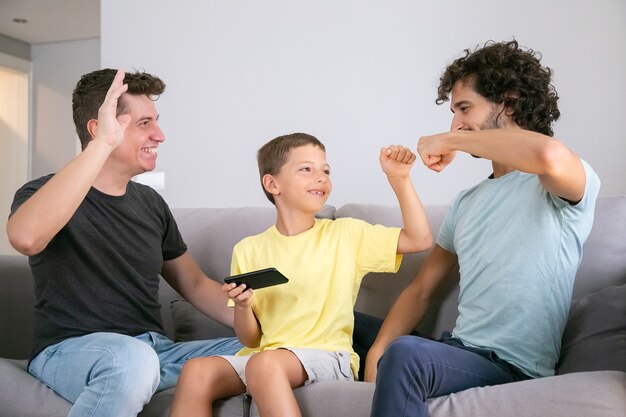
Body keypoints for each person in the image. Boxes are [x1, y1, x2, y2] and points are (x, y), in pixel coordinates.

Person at [365, 40, 601, 417]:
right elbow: (422, 290)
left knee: (406, 353)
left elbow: (548, 155)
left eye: (464, 108)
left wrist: (451, 139)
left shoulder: (556, 182)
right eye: (454, 113)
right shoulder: (466, 202)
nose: (456, 122)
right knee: (342, 322)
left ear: (508, 101)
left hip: (510, 368)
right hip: (457, 351)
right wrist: (377, 352)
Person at [6, 69, 243, 417]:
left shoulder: (150, 203)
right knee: (132, 361)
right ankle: (146, 375)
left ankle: (151, 376)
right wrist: (102, 145)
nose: (159, 135)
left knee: (270, 350)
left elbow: (194, 283)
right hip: (70, 351)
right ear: (98, 129)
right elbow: (26, 238)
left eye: (156, 122)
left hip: (154, 350)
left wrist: (270, 328)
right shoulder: (43, 193)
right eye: (145, 123)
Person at [168, 133, 433, 417]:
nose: (321, 177)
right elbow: (250, 340)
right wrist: (244, 306)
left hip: (328, 356)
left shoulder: (346, 234)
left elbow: (419, 239)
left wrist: (400, 179)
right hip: (266, 356)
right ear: (272, 184)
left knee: (265, 364)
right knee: (196, 370)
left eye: (326, 170)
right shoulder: (248, 249)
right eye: (307, 169)